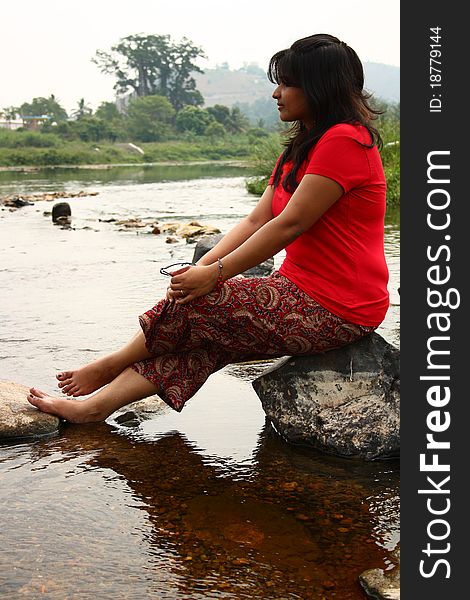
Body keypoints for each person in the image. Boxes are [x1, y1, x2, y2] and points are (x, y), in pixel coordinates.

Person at [27, 34, 389, 423]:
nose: (276, 93)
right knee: (209, 340)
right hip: (298, 290)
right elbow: (257, 219)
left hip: (339, 306)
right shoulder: (301, 148)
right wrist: (197, 272)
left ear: (319, 87)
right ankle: (93, 409)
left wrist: (213, 276)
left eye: (287, 83)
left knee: (204, 304)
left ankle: (109, 363)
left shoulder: (346, 141)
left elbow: (291, 223)